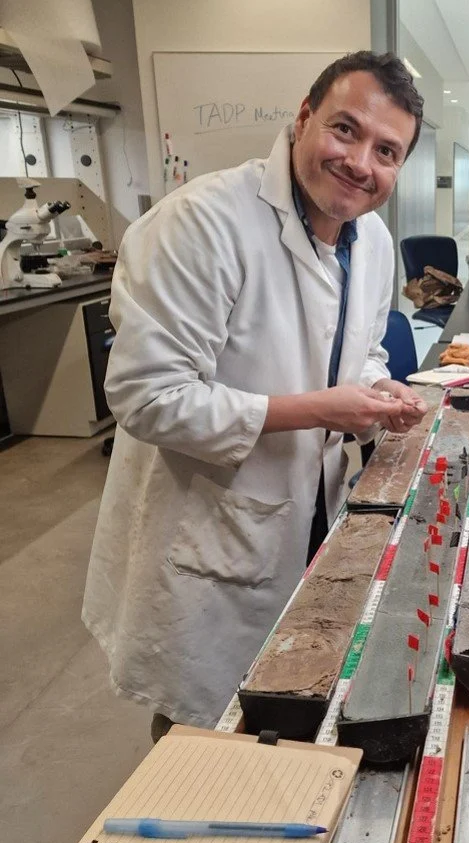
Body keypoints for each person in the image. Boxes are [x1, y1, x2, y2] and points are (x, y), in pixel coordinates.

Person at [83, 51, 429, 730]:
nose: (361, 162)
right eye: (345, 129)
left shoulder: (373, 239)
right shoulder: (202, 222)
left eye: (386, 151)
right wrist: (318, 410)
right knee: (202, 737)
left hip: (312, 518)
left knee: (292, 707)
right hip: (209, 535)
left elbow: (356, 350)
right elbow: (147, 396)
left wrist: (377, 388)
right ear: (303, 119)